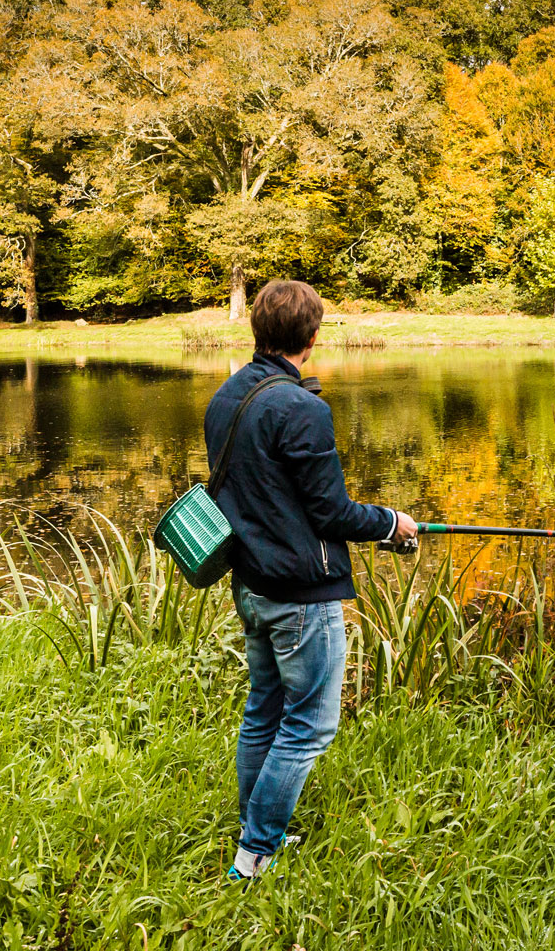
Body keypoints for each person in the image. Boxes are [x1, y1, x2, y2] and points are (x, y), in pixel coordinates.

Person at [204, 278, 418, 881]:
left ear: (258, 331)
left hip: (250, 584)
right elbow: (333, 514)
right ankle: (255, 853)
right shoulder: (302, 409)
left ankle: (254, 832)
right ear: (313, 336)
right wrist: (393, 523)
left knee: (265, 708)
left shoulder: (226, 397)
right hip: (299, 593)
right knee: (310, 725)